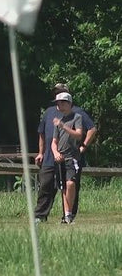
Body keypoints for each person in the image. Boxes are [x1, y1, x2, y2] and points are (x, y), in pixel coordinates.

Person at [34, 83, 97, 223]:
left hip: (71, 156)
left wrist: (83, 146)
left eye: (62, 92)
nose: (59, 96)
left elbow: (92, 129)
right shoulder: (49, 112)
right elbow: (42, 133)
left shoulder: (77, 113)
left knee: (70, 186)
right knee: (46, 186)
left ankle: (68, 216)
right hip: (51, 157)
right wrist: (40, 152)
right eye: (57, 93)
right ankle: (40, 215)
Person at [51, 92, 83, 224]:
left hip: (72, 157)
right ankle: (67, 215)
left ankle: (69, 213)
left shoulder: (77, 117)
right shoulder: (59, 122)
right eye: (58, 103)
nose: (59, 105)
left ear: (69, 103)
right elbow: (54, 142)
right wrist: (55, 153)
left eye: (62, 102)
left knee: (70, 183)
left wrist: (63, 126)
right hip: (60, 158)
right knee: (63, 187)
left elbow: (79, 135)